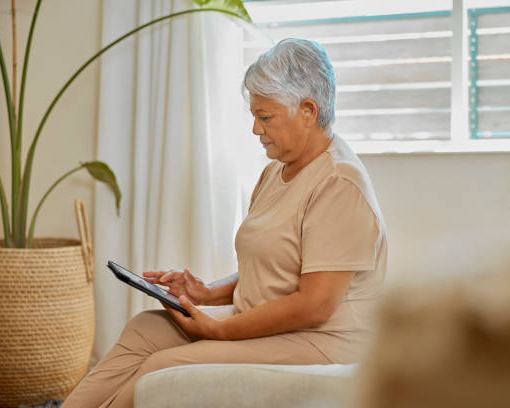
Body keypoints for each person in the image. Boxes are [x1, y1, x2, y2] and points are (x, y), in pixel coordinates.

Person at [62, 38, 387, 408]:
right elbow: (274, 268)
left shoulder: (339, 184)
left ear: (308, 111)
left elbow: (314, 305)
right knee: (146, 329)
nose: (255, 129)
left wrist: (221, 331)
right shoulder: (276, 173)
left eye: (265, 117)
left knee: (161, 368)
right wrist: (205, 293)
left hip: (322, 339)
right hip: (270, 321)